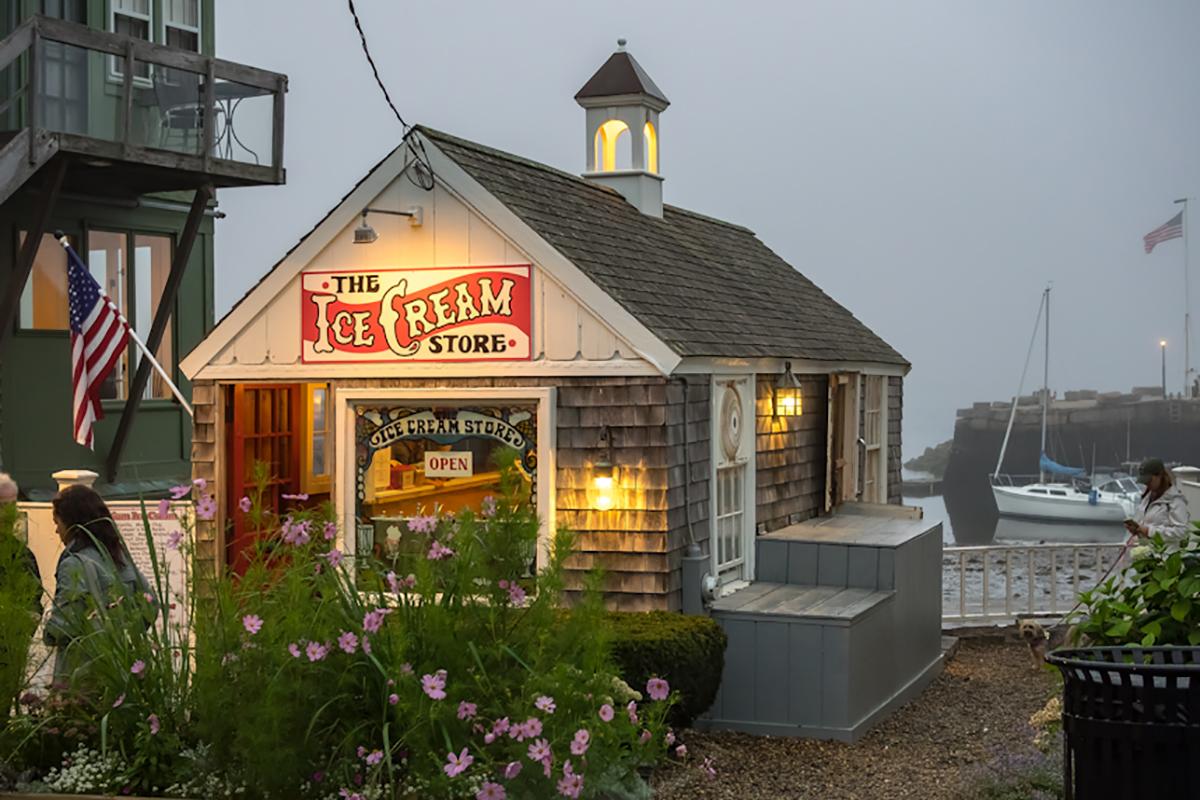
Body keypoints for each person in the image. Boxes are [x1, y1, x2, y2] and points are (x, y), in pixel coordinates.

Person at [44, 484, 155, 683]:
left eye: (57, 523)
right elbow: (151, 604)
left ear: (71, 524)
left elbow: (65, 624)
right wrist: (127, 631)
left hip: (83, 675)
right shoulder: (119, 557)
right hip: (123, 670)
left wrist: (47, 631)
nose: (55, 530)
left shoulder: (74, 564)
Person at [1123, 458, 1192, 545]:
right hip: (1145, 551)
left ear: (1160, 476)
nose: (1146, 484)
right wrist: (1136, 529)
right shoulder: (1148, 497)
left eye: (1149, 480)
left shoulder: (1175, 500)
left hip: (1164, 555)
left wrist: (1149, 531)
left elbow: (1182, 532)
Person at [0, 472, 41, 615]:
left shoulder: (20, 552)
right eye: (3, 506)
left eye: (13, 505)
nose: (10, 514)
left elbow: (34, 598)